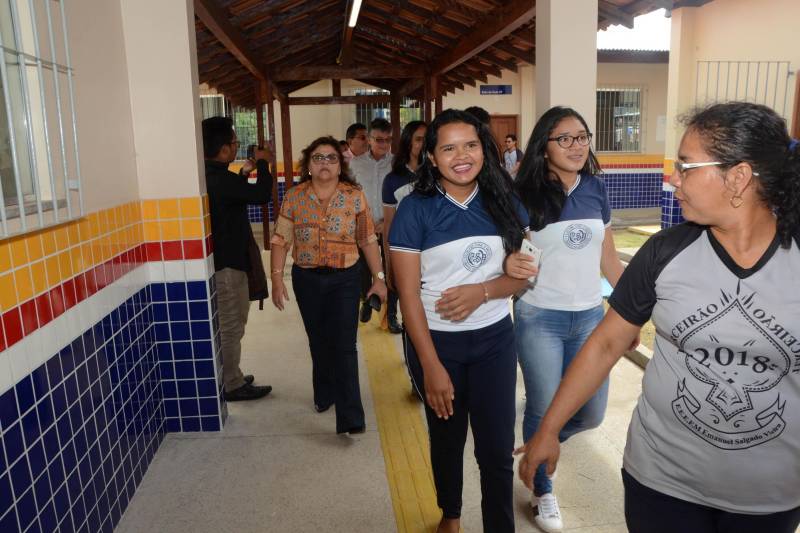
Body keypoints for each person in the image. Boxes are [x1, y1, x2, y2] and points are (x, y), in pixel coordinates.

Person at [515, 101, 800, 533]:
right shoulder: (666, 251)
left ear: (738, 177)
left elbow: (607, 261)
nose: (673, 180)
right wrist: (548, 429)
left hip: (767, 498)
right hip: (662, 482)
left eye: (686, 167)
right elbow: (607, 343)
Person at [389, 109, 530, 533]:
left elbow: (522, 277)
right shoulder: (415, 209)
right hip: (438, 344)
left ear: (483, 149)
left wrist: (483, 291)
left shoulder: (505, 201)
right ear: (431, 157)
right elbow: (408, 294)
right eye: (448, 148)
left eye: (470, 145)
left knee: (496, 449)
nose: (461, 156)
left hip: (495, 342)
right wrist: (430, 366)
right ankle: (450, 514)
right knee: (447, 440)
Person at [504, 106, 627, 532]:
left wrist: (632, 310)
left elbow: (608, 257)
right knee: (542, 405)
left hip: (591, 317)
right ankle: (542, 491)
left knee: (591, 413)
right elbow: (507, 257)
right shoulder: (524, 196)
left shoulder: (595, 189)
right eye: (565, 139)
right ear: (544, 146)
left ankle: (539, 443)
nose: (577, 146)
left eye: (582, 137)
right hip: (540, 317)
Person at [269, 136, 387, 435]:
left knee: (344, 345)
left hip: (345, 278)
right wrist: (275, 278)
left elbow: (367, 239)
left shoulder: (354, 196)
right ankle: (324, 393)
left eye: (331, 158)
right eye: (318, 158)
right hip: (307, 278)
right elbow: (281, 239)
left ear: (340, 165)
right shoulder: (294, 197)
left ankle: (350, 417)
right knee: (318, 340)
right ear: (308, 165)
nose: (325, 163)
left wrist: (379, 278)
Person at [202, 116, 273, 401]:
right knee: (232, 325)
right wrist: (265, 163)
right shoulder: (218, 178)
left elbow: (235, 196)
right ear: (223, 149)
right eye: (234, 142)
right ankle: (232, 383)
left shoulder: (213, 176)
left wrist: (245, 173)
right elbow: (260, 195)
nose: (236, 147)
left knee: (230, 324)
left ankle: (231, 373)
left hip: (225, 261)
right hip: (229, 267)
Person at [381, 120, 427, 334]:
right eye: (418, 139)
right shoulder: (393, 179)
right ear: (408, 142)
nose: (423, 143)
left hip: (432, 250)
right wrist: (389, 260)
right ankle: (393, 316)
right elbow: (389, 222)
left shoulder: (439, 175)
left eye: (427, 139)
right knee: (409, 304)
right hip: (405, 249)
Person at [350, 117, 393, 324]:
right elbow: (349, 195)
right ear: (369, 139)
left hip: (390, 226)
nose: (383, 144)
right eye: (379, 140)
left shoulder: (396, 164)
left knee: (391, 272)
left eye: (387, 140)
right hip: (363, 228)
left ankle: (391, 316)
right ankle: (367, 302)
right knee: (365, 271)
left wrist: (388, 221)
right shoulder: (355, 164)